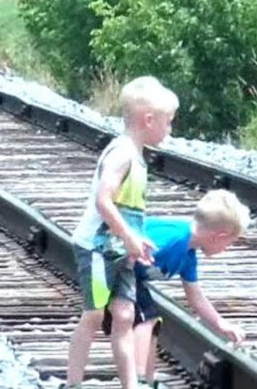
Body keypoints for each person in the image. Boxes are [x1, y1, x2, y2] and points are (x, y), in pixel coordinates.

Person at [65, 76, 179, 389]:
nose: (170, 129)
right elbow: (104, 200)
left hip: (121, 249)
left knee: (126, 315)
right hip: (98, 248)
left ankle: (131, 385)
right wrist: (129, 237)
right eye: (168, 122)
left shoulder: (138, 157)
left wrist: (134, 239)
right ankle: (72, 382)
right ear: (149, 119)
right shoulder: (122, 154)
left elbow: (129, 210)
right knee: (93, 315)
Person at [112, 189, 251, 388]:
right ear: (219, 236)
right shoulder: (174, 239)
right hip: (112, 270)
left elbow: (196, 297)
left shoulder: (188, 255)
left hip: (130, 278)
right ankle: (138, 380)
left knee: (151, 319)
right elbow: (123, 248)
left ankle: (148, 380)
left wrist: (220, 324)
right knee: (146, 319)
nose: (227, 248)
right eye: (229, 243)